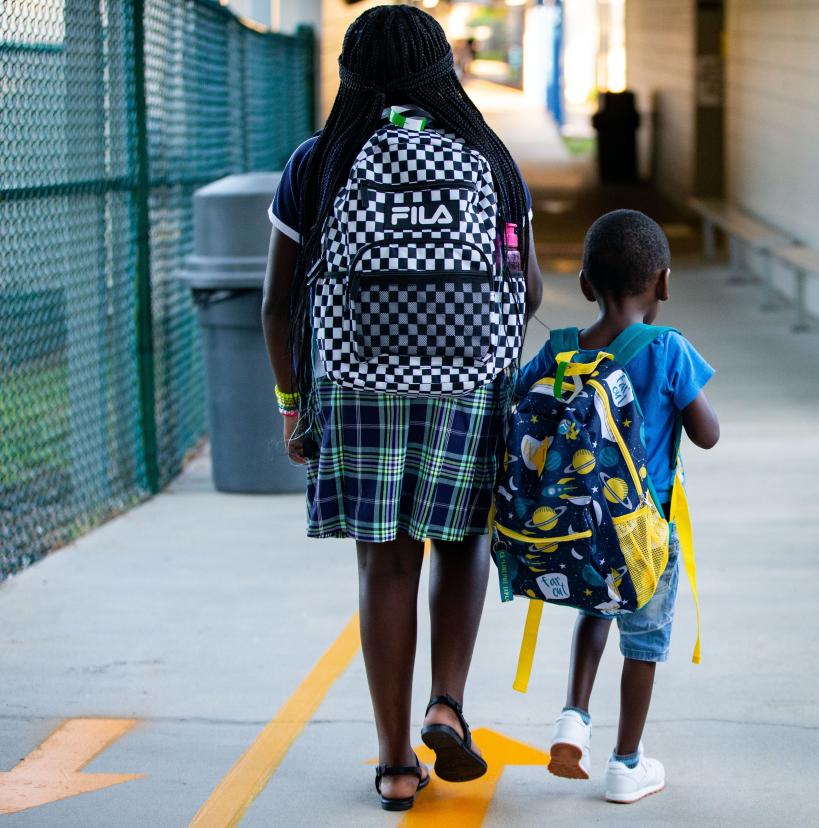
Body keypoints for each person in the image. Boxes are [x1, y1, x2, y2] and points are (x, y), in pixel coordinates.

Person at [260, 4, 542, 812]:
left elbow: (277, 304)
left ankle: (393, 763)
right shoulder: (490, 159)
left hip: (356, 386)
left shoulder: (319, 163)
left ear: (351, 73)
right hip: (467, 382)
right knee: (465, 538)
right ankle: (446, 702)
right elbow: (523, 291)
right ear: (441, 69)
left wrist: (292, 402)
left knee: (385, 560)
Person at [513, 209, 720, 804]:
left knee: (594, 608)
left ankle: (573, 717)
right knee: (644, 644)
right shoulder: (669, 350)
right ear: (664, 282)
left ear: (582, 285)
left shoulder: (559, 350)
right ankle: (627, 763)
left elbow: (517, 405)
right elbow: (707, 434)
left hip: (577, 531)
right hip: (641, 534)